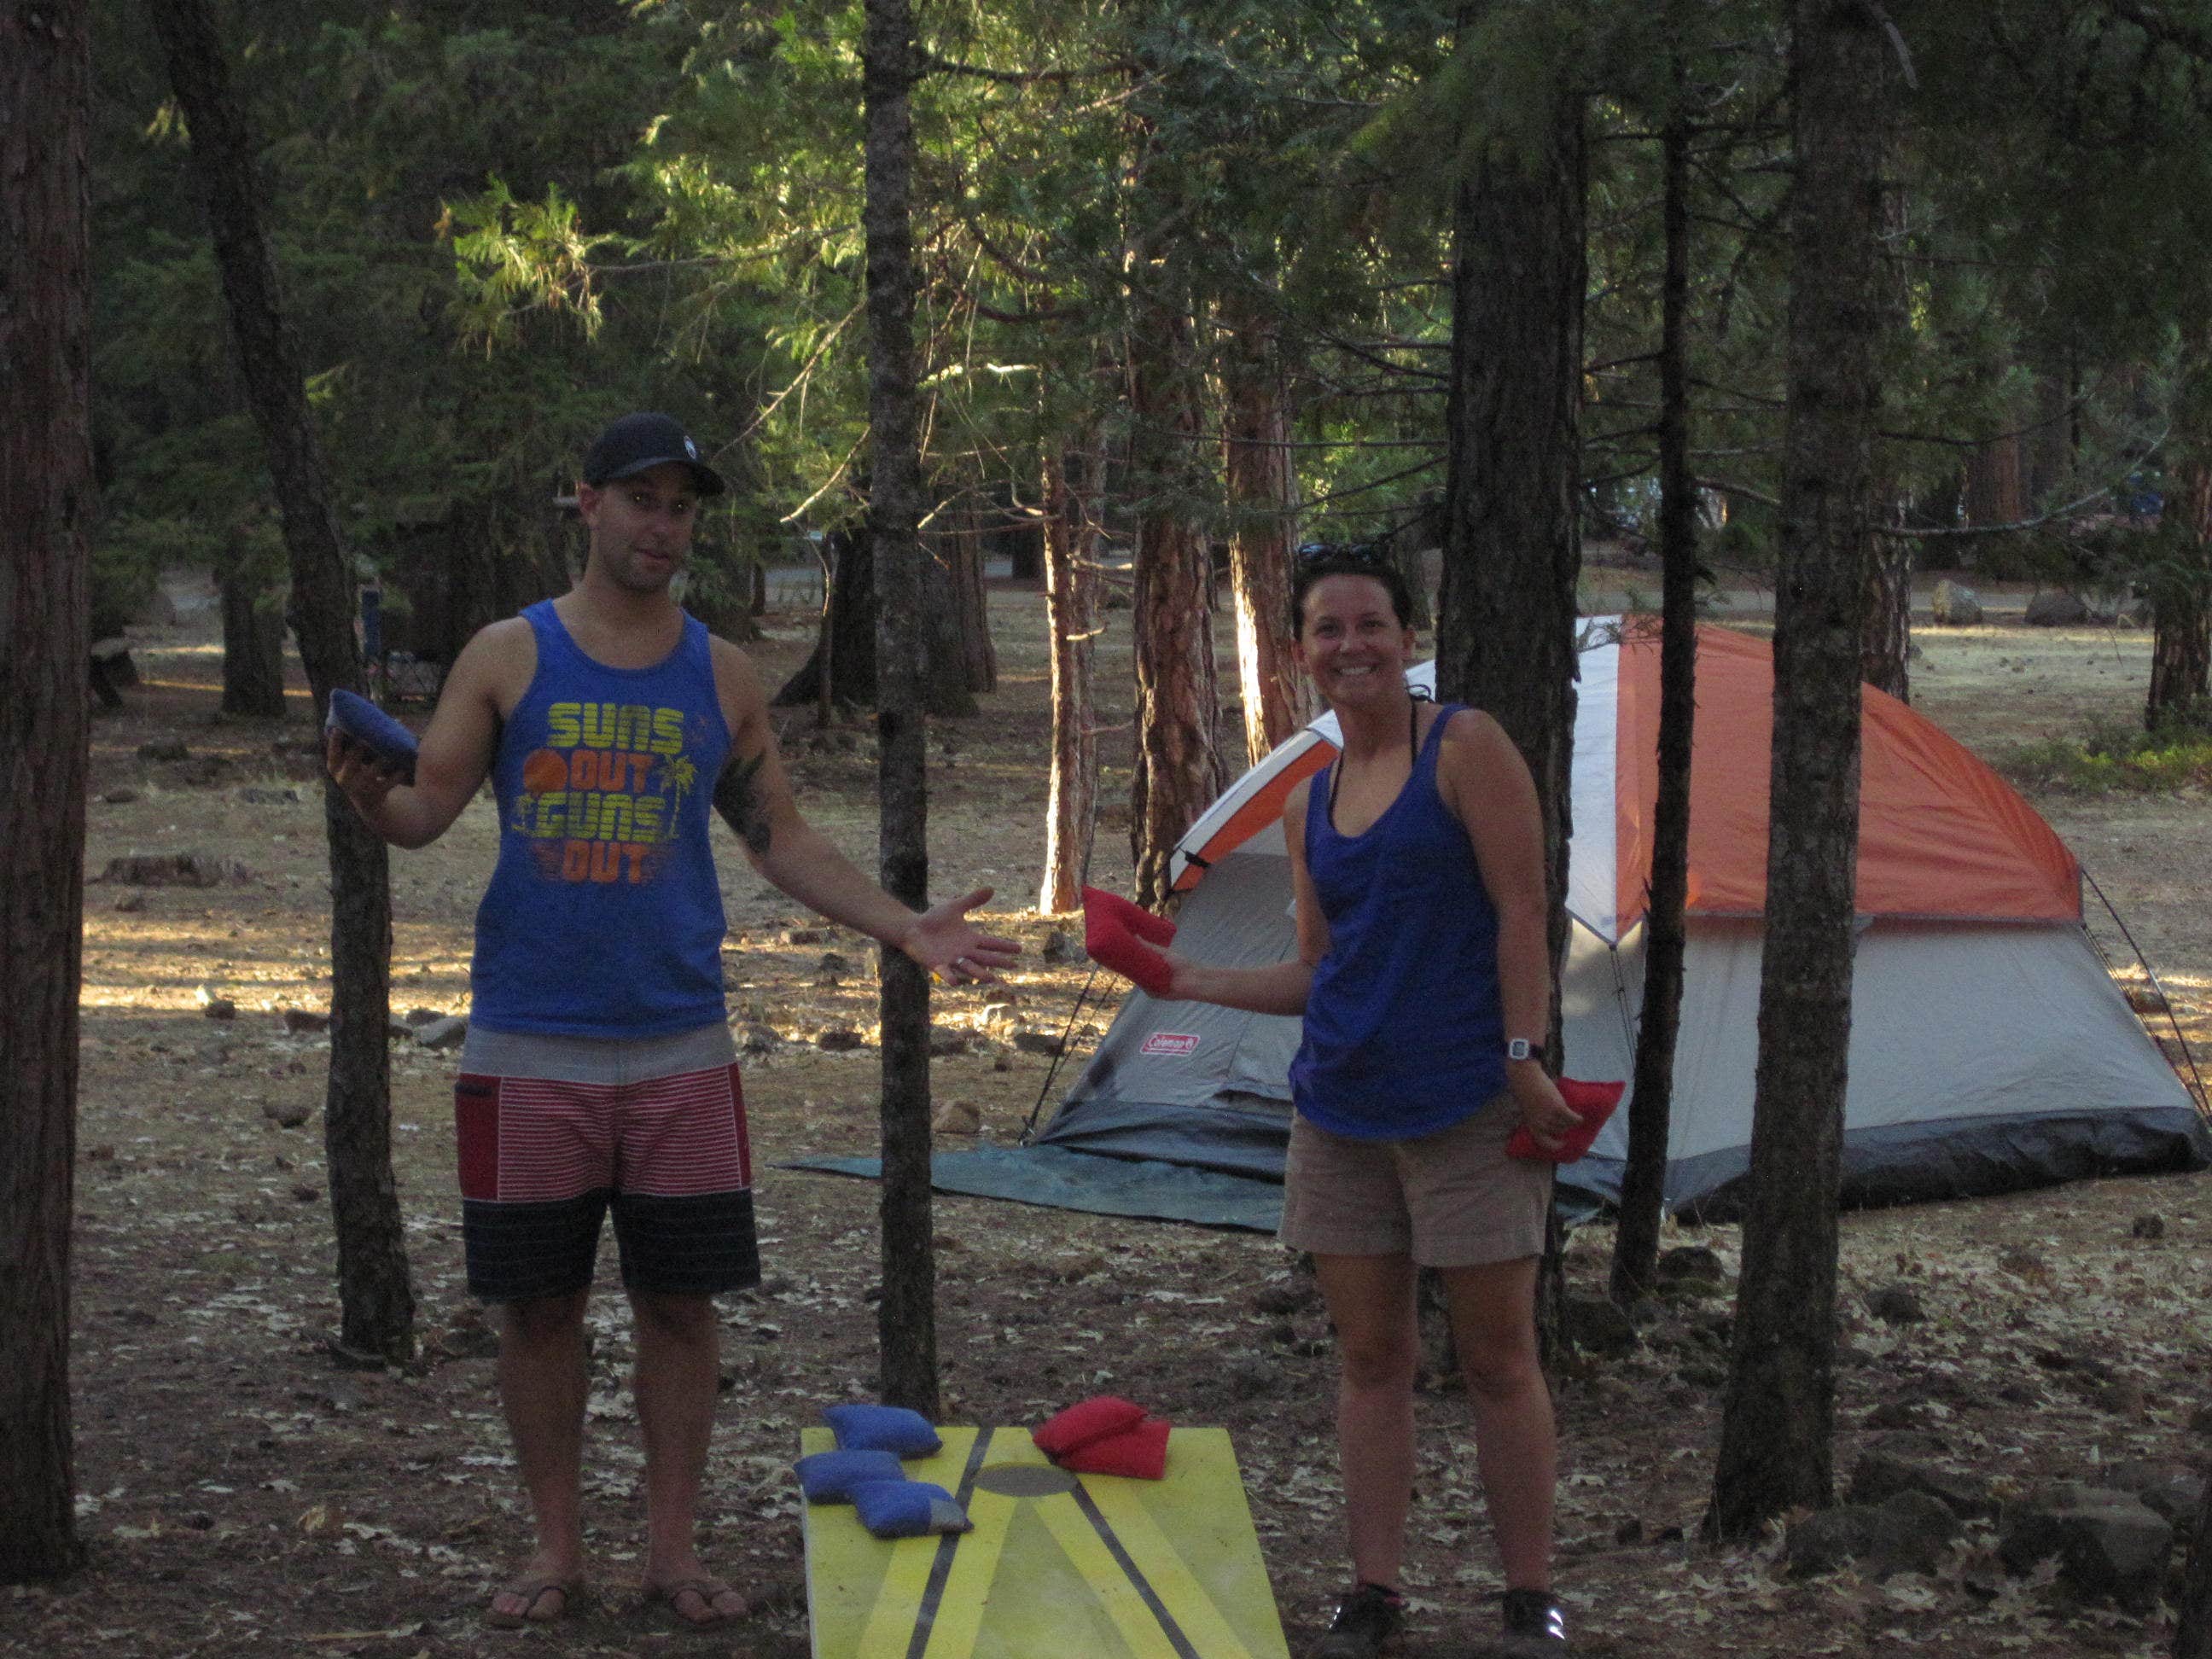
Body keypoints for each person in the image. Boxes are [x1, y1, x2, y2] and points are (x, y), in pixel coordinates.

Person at [327, 411, 1017, 1631]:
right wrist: (369, 801)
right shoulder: (508, 655)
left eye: (682, 505)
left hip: (681, 1049)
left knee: (680, 1306)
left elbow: (779, 836)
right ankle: (555, 1550)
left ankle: (671, 1549)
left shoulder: (721, 673)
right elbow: (425, 809)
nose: (663, 524)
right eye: (641, 499)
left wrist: (904, 927)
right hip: (525, 1048)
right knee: (537, 1309)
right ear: (585, 504)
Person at [1106, 547, 1580, 1656]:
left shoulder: (1464, 747)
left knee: (1500, 1357)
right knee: (1372, 1360)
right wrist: (1186, 980)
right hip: (1340, 1111)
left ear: (1408, 638)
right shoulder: (1310, 799)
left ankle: (1528, 1596)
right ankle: (1375, 1592)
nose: (1352, 645)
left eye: (1372, 624)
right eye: (1328, 629)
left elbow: (1523, 910)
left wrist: (1525, 1053)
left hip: (1466, 1098)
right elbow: (1319, 970)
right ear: (1302, 651)